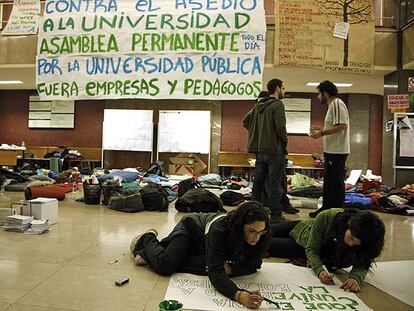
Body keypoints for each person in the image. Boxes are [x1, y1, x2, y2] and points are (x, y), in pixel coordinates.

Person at [130, 201, 271, 309]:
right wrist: (240, 295)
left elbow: (255, 264)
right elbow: (216, 273)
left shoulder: (260, 233)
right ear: (240, 227)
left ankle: (157, 254)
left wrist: (232, 268)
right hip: (191, 229)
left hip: (204, 245)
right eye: (251, 231)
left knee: (206, 265)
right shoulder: (220, 229)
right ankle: (146, 238)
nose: (256, 238)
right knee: (165, 265)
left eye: (260, 232)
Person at [268, 208, 385, 292]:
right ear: (349, 224)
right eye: (350, 238)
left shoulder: (369, 240)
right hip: (304, 230)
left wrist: (355, 278)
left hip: (301, 247)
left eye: (357, 244)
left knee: (264, 243)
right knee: (264, 230)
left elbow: (363, 262)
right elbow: (312, 248)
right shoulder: (327, 216)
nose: (351, 244)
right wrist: (319, 270)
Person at [243, 79, 288, 223]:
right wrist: (284, 142)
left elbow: (245, 121)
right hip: (274, 150)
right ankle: (275, 214)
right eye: (283, 88)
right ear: (277, 88)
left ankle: (254, 211)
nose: (284, 91)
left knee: (258, 182)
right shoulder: (277, 104)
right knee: (274, 183)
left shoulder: (257, 106)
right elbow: (280, 127)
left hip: (259, 150)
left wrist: (258, 132)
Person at [309, 80, 350, 218]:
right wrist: (322, 130)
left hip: (337, 151)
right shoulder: (332, 105)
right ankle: (326, 209)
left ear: (325, 93)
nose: (318, 97)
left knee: (336, 183)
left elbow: (343, 126)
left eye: (319, 93)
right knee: (329, 182)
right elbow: (336, 126)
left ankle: (337, 212)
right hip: (332, 150)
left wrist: (322, 133)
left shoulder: (337, 104)